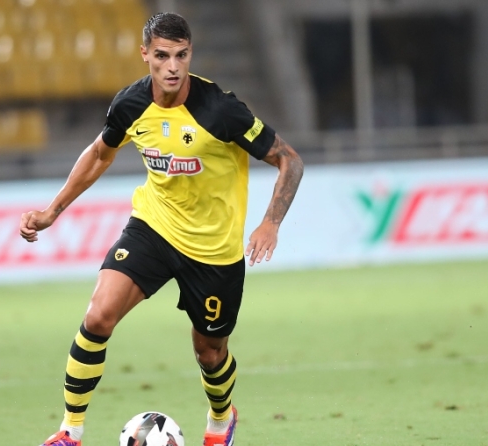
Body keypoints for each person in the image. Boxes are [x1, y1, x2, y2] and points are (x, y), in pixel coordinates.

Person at [20, 12, 304, 446]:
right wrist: (51, 211)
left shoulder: (220, 110)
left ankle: (221, 418)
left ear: (190, 54)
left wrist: (271, 222)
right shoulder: (131, 104)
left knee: (209, 352)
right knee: (98, 316)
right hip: (154, 227)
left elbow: (289, 159)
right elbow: (99, 154)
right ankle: (70, 431)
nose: (172, 67)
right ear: (145, 55)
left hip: (213, 248)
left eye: (181, 56)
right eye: (162, 56)